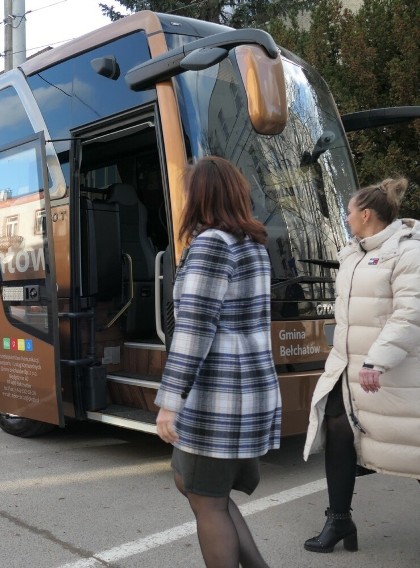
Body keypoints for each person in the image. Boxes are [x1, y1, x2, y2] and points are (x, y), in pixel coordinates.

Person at [154, 156, 281, 568]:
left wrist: (169, 402)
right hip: (249, 390)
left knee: (207, 501)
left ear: (201, 196)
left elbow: (193, 330)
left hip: (217, 396)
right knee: (200, 488)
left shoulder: (210, 244)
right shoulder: (253, 246)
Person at [302, 177, 420, 553]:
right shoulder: (352, 253)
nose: (346, 218)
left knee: (412, 446)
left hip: (396, 373)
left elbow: (410, 315)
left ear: (366, 214)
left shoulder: (409, 252)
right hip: (348, 370)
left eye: (349, 212)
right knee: (338, 430)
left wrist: (377, 359)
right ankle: (339, 521)